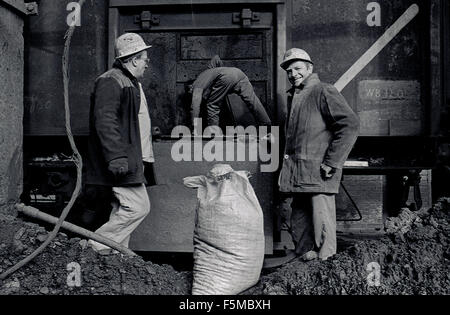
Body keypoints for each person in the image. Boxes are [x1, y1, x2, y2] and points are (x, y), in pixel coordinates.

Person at [278, 48, 360, 261]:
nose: (292, 73)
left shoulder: (323, 91)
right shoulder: (295, 97)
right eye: (288, 70)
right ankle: (306, 265)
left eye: (297, 68)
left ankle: (326, 266)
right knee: (299, 220)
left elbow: (349, 124)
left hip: (318, 172)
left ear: (309, 68)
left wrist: (332, 161)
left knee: (322, 223)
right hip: (299, 173)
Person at [85, 33, 154, 254]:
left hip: (129, 159)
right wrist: (116, 156)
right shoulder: (111, 80)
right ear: (134, 60)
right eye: (144, 58)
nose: (146, 63)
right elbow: (105, 120)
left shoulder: (130, 83)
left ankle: (113, 257)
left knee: (121, 209)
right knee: (138, 207)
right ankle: (94, 247)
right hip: (119, 160)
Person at [190, 55, 272, 132]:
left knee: (212, 104)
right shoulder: (208, 71)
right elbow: (216, 58)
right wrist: (222, 71)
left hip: (226, 77)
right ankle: (266, 125)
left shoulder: (197, 84)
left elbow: (195, 105)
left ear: (191, 87)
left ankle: (214, 132)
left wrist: (195, 127)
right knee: (253, 101)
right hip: (239, 73)